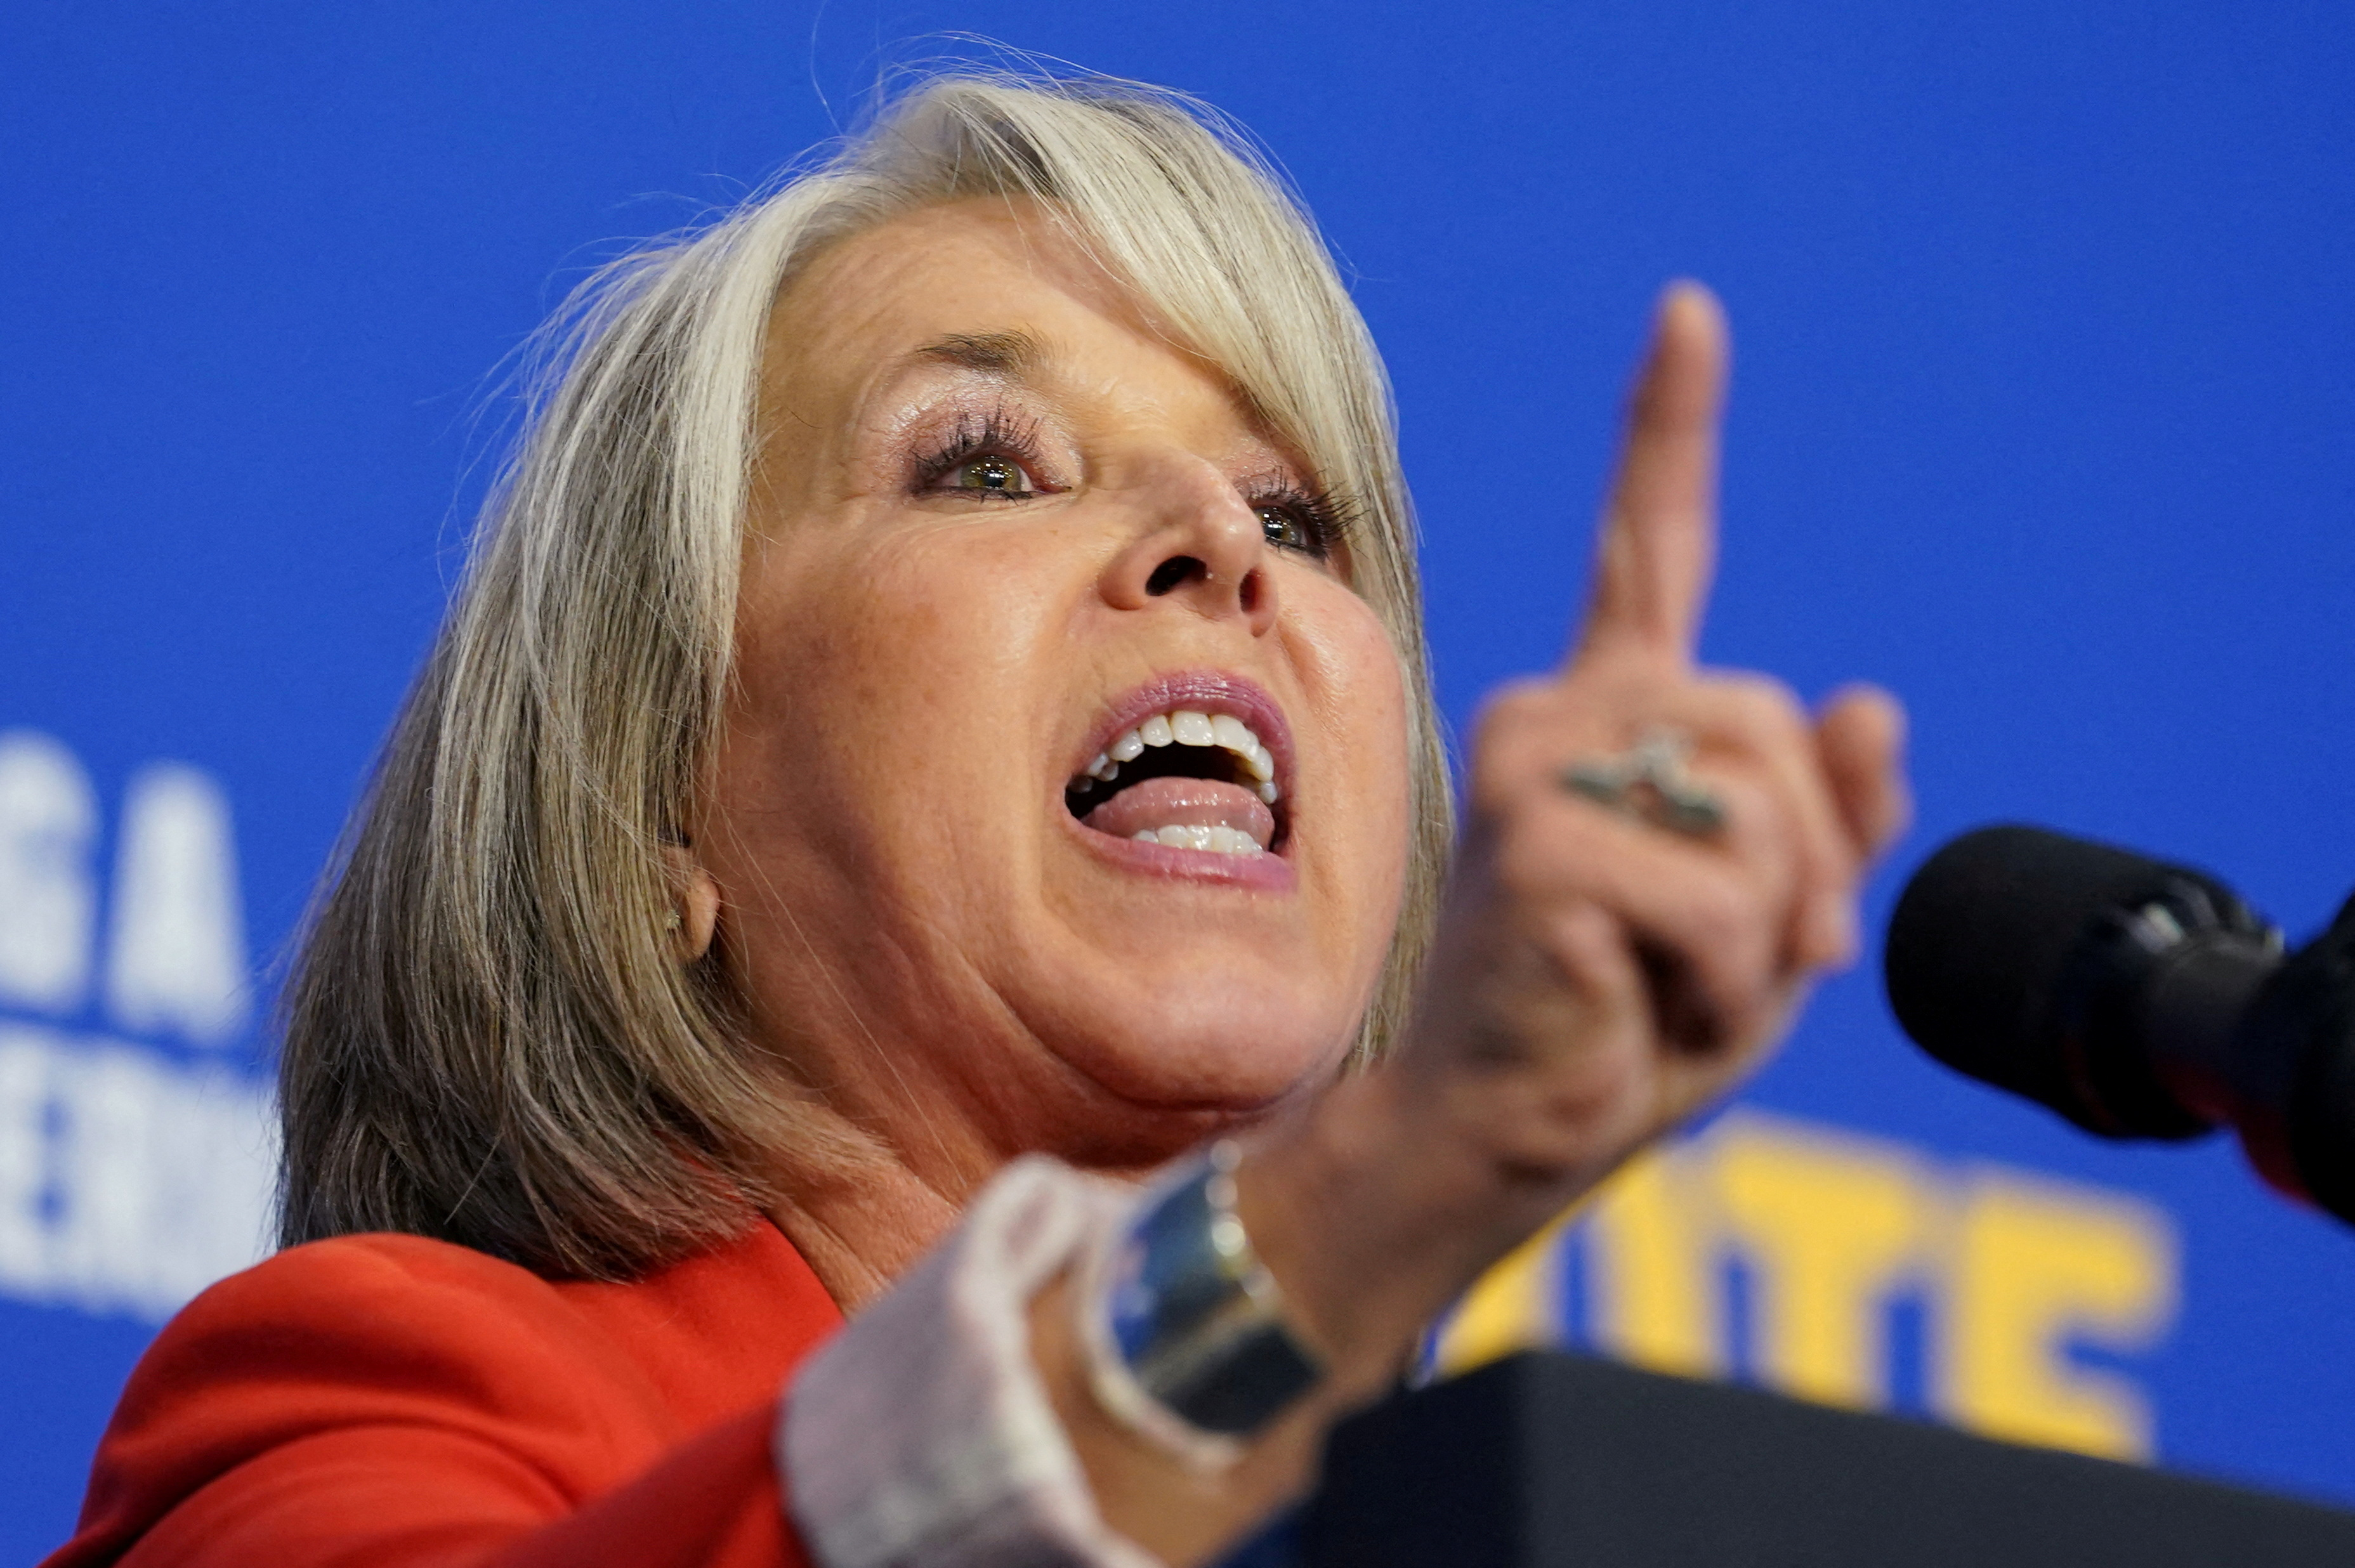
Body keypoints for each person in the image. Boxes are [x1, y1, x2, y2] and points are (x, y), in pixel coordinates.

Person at [44, 68, 1908, 1568]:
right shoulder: (366, 1395)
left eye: (1298, 513)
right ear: (652, 804)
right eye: (987, 466)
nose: (1219, 537)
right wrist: (1383, 1185)